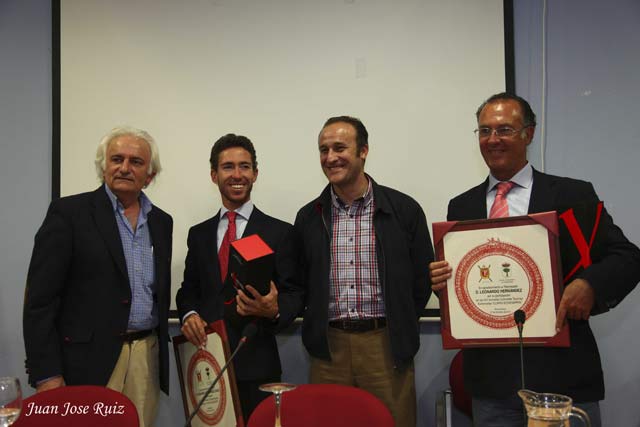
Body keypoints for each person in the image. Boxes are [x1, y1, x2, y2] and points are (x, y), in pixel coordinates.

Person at [429, 92, 640, 427]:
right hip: (492, 386)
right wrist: (443, 282)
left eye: (504, 130)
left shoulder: (573, 195)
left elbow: (628, 257)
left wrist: (590, 284)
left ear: (529, 133)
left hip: (563, 380)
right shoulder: (461, 206)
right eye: (484, 131)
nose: (493, 139)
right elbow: (465, 289)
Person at [276, 116, 434, 426]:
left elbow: (421, 281)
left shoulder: (404, 210)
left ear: (363, 151)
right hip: (328, 351)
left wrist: (398, 322)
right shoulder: (309, 216)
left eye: (339, 148)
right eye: (323, 150)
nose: (330, 157)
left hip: (385, 346)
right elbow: (297, 284)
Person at [23, 126, 173, 427]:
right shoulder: (69, 213)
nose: (125, 168)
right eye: (117, 159)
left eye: (136, 162)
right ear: (104, 166)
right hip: (86, 361)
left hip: (146, 356)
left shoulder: (162, 222)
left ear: (150, 175)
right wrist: (47, 373)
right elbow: (39, 301)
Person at [176, 133, 296, 421]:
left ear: (255, 173)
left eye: (245, 166)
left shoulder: (280, 232)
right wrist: (189, 313)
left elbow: (295, 293)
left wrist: (275, 309)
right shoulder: (199, 234)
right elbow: (188, 289)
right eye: (228, 167)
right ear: (214, 175)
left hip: (258, 365)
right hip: (207, 363)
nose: (237, 174)